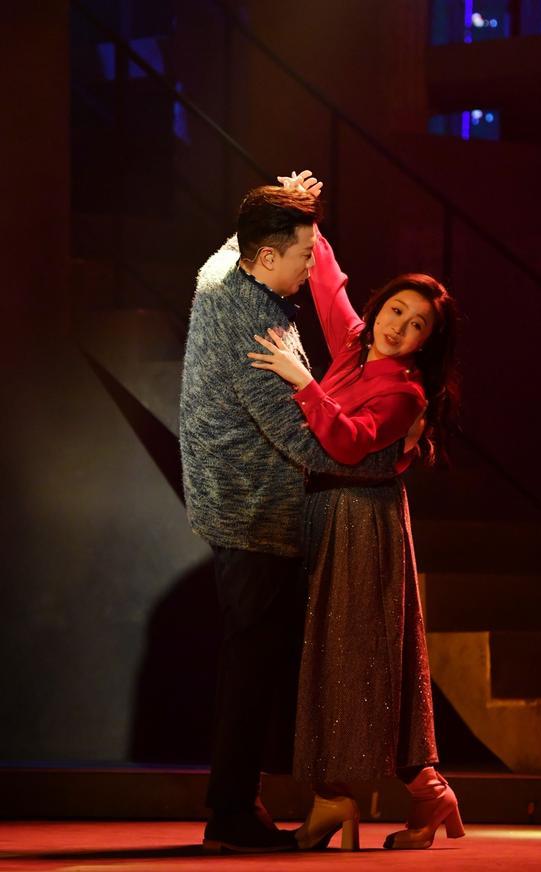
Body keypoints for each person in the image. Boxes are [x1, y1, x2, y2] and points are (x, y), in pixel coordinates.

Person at [179, 183, 413, 854]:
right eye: (305, 254)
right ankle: (232, 814)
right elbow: (306, 443)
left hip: (232, 500)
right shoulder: (257, 328)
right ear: (267, 257)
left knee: (253, 661)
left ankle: (242, 804)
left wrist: (279, 199)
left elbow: (236, 240)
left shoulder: (222, 274)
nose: (314, 266)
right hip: (254, 511)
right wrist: (391, 459)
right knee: (251, 666)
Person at [247, 171, 464, 851]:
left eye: (418, 325)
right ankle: (403, 794)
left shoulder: (404, 392)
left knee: (353, 658)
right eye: (397, 311)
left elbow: (346, 441)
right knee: (331, 659)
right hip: (327, 514)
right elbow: (325, 280)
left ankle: (367, 795)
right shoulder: (352, 345)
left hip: (363, 523)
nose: (401, 327)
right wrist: (305, 211)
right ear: (380, 309)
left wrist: (301, 381)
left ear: (427, 341)